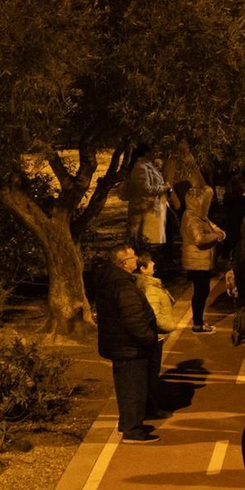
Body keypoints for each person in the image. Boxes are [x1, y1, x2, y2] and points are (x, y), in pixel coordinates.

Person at [89, 244, 163, 443]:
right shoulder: (123, 285)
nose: (136, 260)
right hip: (130, 346)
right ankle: (133, 430)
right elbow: (133, 318)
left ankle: (127, 424)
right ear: (124, 263)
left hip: (119, 344)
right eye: (132, 257)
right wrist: (149, 338)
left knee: (126, 388)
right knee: (134, 389)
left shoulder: (111, 280)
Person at [178, 183, 225, 333]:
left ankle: (199, 322)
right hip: (196, 261)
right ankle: (197, 324)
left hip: (201, 260)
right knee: (200, 292)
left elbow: (215, 228)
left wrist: (218, 233)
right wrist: (216, 236)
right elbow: (199, 239)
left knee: (202, 292)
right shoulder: (192, 218)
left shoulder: (199, 216)